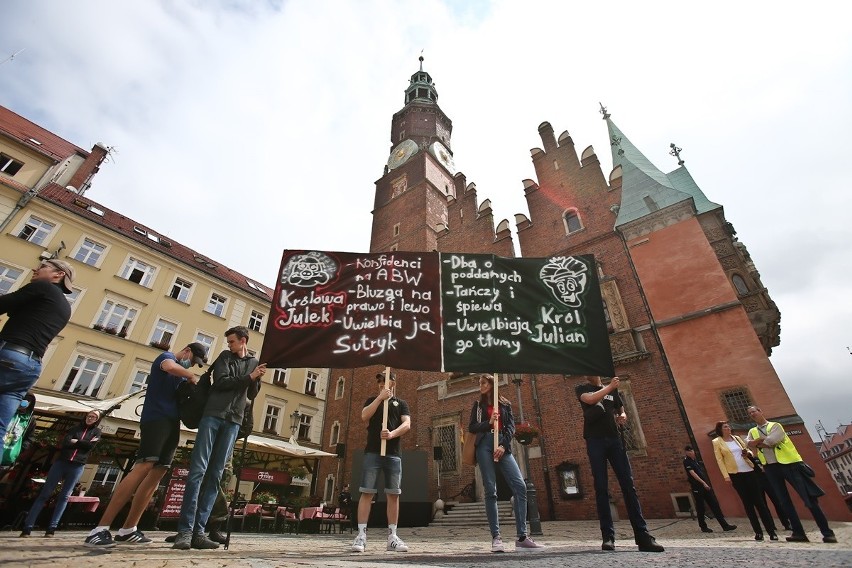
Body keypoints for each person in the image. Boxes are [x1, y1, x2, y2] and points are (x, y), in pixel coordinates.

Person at [83, 342, 208, 547]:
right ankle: (100, 529)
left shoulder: (179, 376)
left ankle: (128, 529)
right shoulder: (166, 357)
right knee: (144, 466)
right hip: (155, 419)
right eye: (192, 360)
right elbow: (169, 367)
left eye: (194, 364)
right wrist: (190, 375)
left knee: (159, 472)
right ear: (186, 351)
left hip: (171, 422)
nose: (191, 365)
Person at [172, 326, 263, 551]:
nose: (229, 345)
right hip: (212, 416)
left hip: (234, 421)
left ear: (243, 341)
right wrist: (249, 376)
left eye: (232, 341)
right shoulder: (224, 357)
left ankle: (200, 532)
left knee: (216, 475)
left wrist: (257, 378)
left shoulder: (253, 362)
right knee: (197, 471)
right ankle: (185, 531)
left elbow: (251, 394)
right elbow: (221, 382)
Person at [575, 376, 664, 552]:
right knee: (601, 488)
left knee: (628, 485)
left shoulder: (612, 390)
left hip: (615, 440)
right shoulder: (582, 389)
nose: (587, 373)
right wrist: (611, 386)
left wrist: (622, 415)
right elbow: (591, 399)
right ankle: (608, 536)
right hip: (595, 441)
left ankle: (642, 535)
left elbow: (621, 409)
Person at [469, 374, 545, 552]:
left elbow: (511, 427)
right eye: (480, 383)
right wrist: (488, 423)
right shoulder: (477, 405)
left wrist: (503, 445)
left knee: (520, 486)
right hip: (484, 446)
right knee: (490, 490)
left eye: (484, 383)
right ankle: (496, 538)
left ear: (492, 384)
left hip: (502, 444)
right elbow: (472, 427)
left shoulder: (505, 404)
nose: (480, 386)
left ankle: (522, 537)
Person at [0, 259, 74, 441]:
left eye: (42, 267)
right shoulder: (65, 307)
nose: (35, 268)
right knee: (1, 427)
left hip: (9, 354)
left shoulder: (44, 288)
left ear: (58, 275)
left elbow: (6, 304)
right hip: (30, 366)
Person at [746, 405, 836, 543]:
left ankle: (827, 532)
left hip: (790, 465)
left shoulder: (776, 426)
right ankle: (798, 532)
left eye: (754, 411)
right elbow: (748, 443)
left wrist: (756, 443)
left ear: (760, 411)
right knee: (784, 501)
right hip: (770, 468)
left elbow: (771, 442)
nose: (752, 414)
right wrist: (757, 443)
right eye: (750, 413)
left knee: (808, 498)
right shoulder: (752, 430)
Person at [350, 372, 411, 553]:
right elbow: (364, 416)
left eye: (384, 380)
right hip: (373, 452)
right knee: (367, 492)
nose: (380, 383)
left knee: (393, 494)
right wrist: (379, 398)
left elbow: (407, 424)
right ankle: (361, 535)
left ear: (393, 382)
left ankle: (392, 536)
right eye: (378, 380)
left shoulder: (401, 404)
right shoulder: (372, 400)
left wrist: (392, 434)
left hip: (393, 454)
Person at [20, 409, 102, 537]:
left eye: (94, 417)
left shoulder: (96, 432)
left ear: (97, 420)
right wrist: (81, 443)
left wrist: (77, 442)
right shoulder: (74, 429)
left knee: (64, 496)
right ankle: (27, 526)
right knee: (45, 493)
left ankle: (52, 528)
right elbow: (66, 443)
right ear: (86, 416)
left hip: (77, 465)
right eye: (89, 415)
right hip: (61, 462)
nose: (91, 418)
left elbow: (90, 447)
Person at [711, 421, 777, 541]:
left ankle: (771, 531)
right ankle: (758, 532)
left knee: (760, 502)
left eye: (729, 426)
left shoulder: (736, 438)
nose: (728, 428)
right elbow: (719, 460)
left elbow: (748, 450)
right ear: (720, 429)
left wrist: (748, 453)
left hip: (749, 471)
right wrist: (726, 476)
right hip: (736, 474)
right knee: (748, 504)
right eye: (725, 427)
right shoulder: (716, 442)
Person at [683, 445, 737, 534]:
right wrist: (703, 483)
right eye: (688, 451)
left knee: (714, 505)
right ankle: (703, 527)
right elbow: (692, 473)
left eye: (691, 451)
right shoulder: (687, 462)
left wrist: (705, 483)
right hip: (697, 487)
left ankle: (725, 525)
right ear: (686, 453)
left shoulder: (695, 461)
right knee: (701, 507)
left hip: (704, 486)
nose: (690, 452)